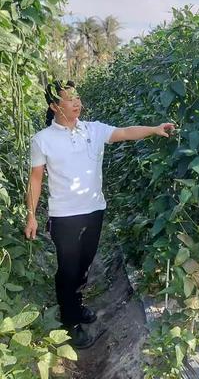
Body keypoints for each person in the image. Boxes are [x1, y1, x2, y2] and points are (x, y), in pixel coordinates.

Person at [24, 80, 175, 349]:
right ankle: (70, 323)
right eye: (70, 99)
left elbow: (126, 132)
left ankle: (76, 305)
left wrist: (154, 129)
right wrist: (31, 215)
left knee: (83, 266)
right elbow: (35, 179)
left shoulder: (93, 130)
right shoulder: (42, 140)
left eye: (78, 98)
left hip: (94, 211)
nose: (77, 103)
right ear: (54, 105)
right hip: (64, 216)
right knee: (68, 270)